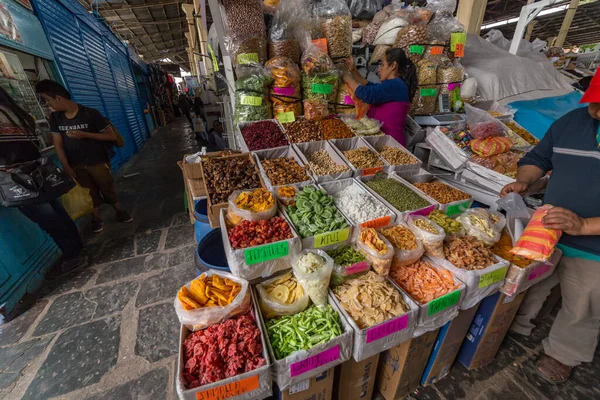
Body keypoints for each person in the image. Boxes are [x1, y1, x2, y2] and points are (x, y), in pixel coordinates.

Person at [500, 71, 600, 384]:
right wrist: (524, 181)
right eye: (593, 102)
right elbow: (539, 157)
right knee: (531, 283)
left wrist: (584, 224)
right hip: (547, 230)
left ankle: (564, 353)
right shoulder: (572, 121)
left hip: (594, 246)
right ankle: (518, 326)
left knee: (583, 302)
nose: (595, 110)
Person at [0, 86, 83, 272]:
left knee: (50, 222)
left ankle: (73, 256)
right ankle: (77, 248)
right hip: (39, 174)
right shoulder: (18, 114)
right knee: (58, 215)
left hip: (17, 180)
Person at [35, 80, 132, 234]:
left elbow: (110, 135)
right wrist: (66, 166)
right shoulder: (55, 119)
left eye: (47, 100)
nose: (48, 105)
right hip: (76, 164)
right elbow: (58, 144)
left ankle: (119, 210)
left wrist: (84, 134)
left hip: (97, 161)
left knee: (106, 187)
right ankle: (96, 218)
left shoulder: (90, 114)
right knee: (89, 192)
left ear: (58, 98)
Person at [342, 48, 418, 146]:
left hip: (391, 143)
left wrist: (347, 78)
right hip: (384, 140)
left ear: (393, 66)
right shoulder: (393, 84)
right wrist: (353, 70)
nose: (379, 69)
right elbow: (369, 86)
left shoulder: (396, 85)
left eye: (382, 65)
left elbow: (367, 94)